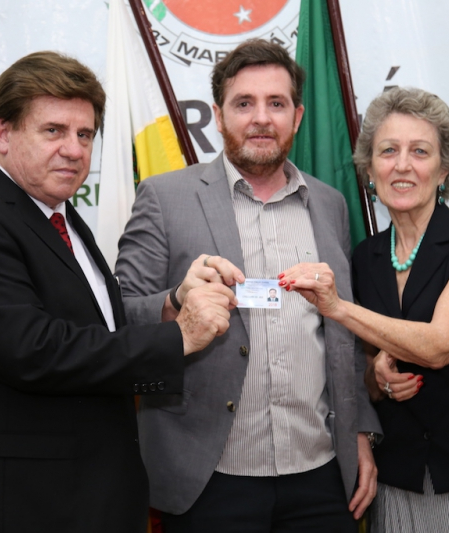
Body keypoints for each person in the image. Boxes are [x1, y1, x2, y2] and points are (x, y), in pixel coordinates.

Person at [0, 51, 235, 533]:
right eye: (53, 130)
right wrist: (178, 337)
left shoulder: (57, 212)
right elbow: (34, 350)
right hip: (11, 506)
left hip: (83, 494)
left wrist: (172, 306)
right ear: (3, 132)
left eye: (85, 134)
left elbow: (91, 326)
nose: (75, 150)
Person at [115, 39, 381, 532]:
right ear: (217, 116)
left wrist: (360, 432)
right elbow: (120, 317)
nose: (261, 118)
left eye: (276, 103)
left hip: (320, 474)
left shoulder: (329, 204)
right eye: (244, 104)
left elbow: (342, 334)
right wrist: (177, 303)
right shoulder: (164, 198)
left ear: (297, 117)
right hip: (209, 479)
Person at [279, 87, 449, 532]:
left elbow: (440, 345)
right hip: (400, 479)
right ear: (370, 170)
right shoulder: (364, 259)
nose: (402, 165)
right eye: (388, 151)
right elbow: (365, 369)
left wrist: (338, 308)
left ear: (443, 170)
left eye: (420, 151)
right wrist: (378, 378)